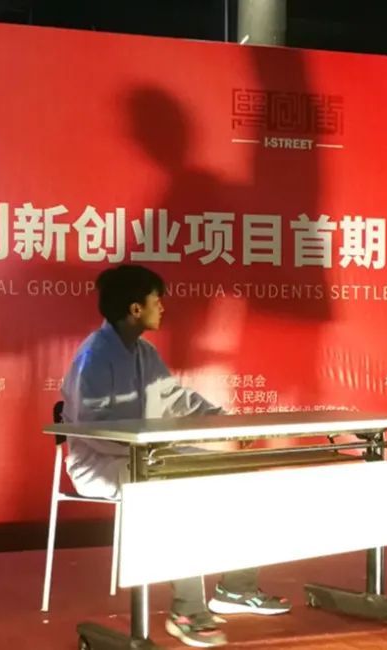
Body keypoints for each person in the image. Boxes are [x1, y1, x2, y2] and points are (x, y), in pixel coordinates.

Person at [61, 264, 290, 648]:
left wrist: (225, 424)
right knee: (176, 488)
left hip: (150, 456)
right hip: (100, 463)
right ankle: (187, 611)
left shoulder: (145, 353)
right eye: (157, 301)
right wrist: (153, 452)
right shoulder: (94, 357)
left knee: (238, 472)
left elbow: (177, 401)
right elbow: (95, 432)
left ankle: (236, 587)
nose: (163, 308)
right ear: (136, 309)